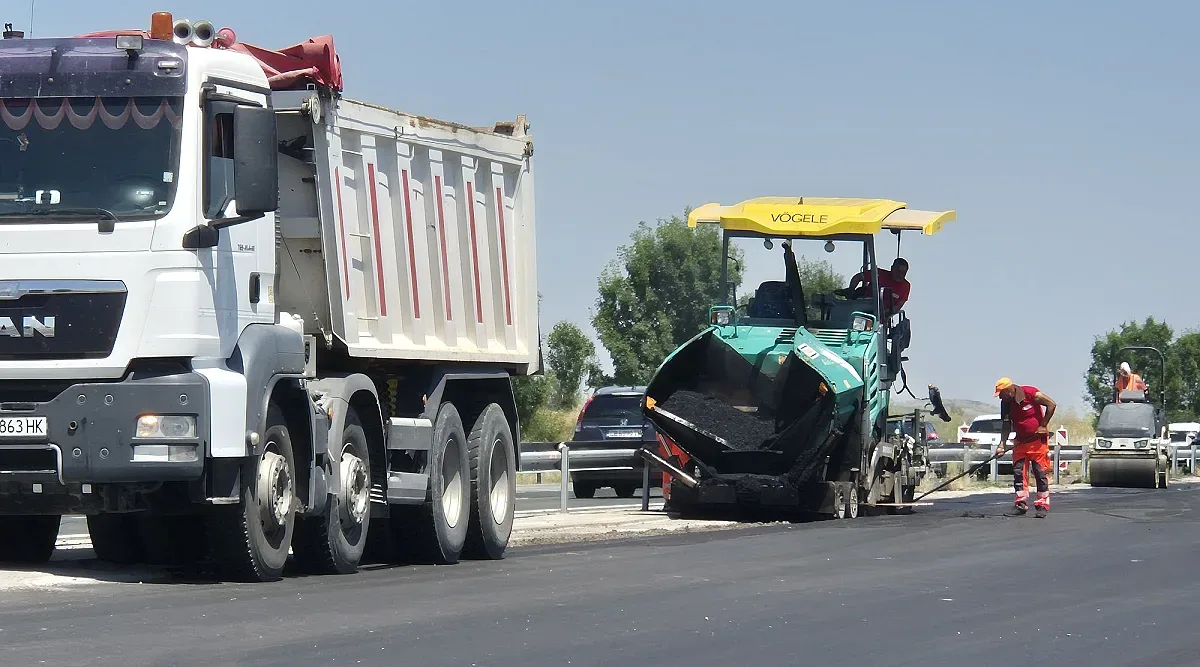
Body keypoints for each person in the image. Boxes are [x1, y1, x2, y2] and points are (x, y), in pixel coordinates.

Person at [994, 377, 1057, 518]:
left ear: (1009, 390)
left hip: (1037, 442)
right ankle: (1020, 504)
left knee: (1040, 473)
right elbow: (1006, 425)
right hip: (1020, 442)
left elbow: (1052, 404)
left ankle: (1042, 505)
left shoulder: (1030, 393)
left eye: (1001, 394)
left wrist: (1043, 425)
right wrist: (1002, 445)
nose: (1000, 398)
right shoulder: (1006, 403)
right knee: (1018, 473)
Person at [845, 258, 911, 316]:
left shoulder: (906, 286)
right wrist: (851, 289)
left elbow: (898, 306)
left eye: (903, 272)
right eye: (898, 271)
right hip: (863, 306)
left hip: (880, 318)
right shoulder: (879, 273)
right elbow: (858, 277)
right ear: (892, 268)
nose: (900, 275)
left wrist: (886, 312)